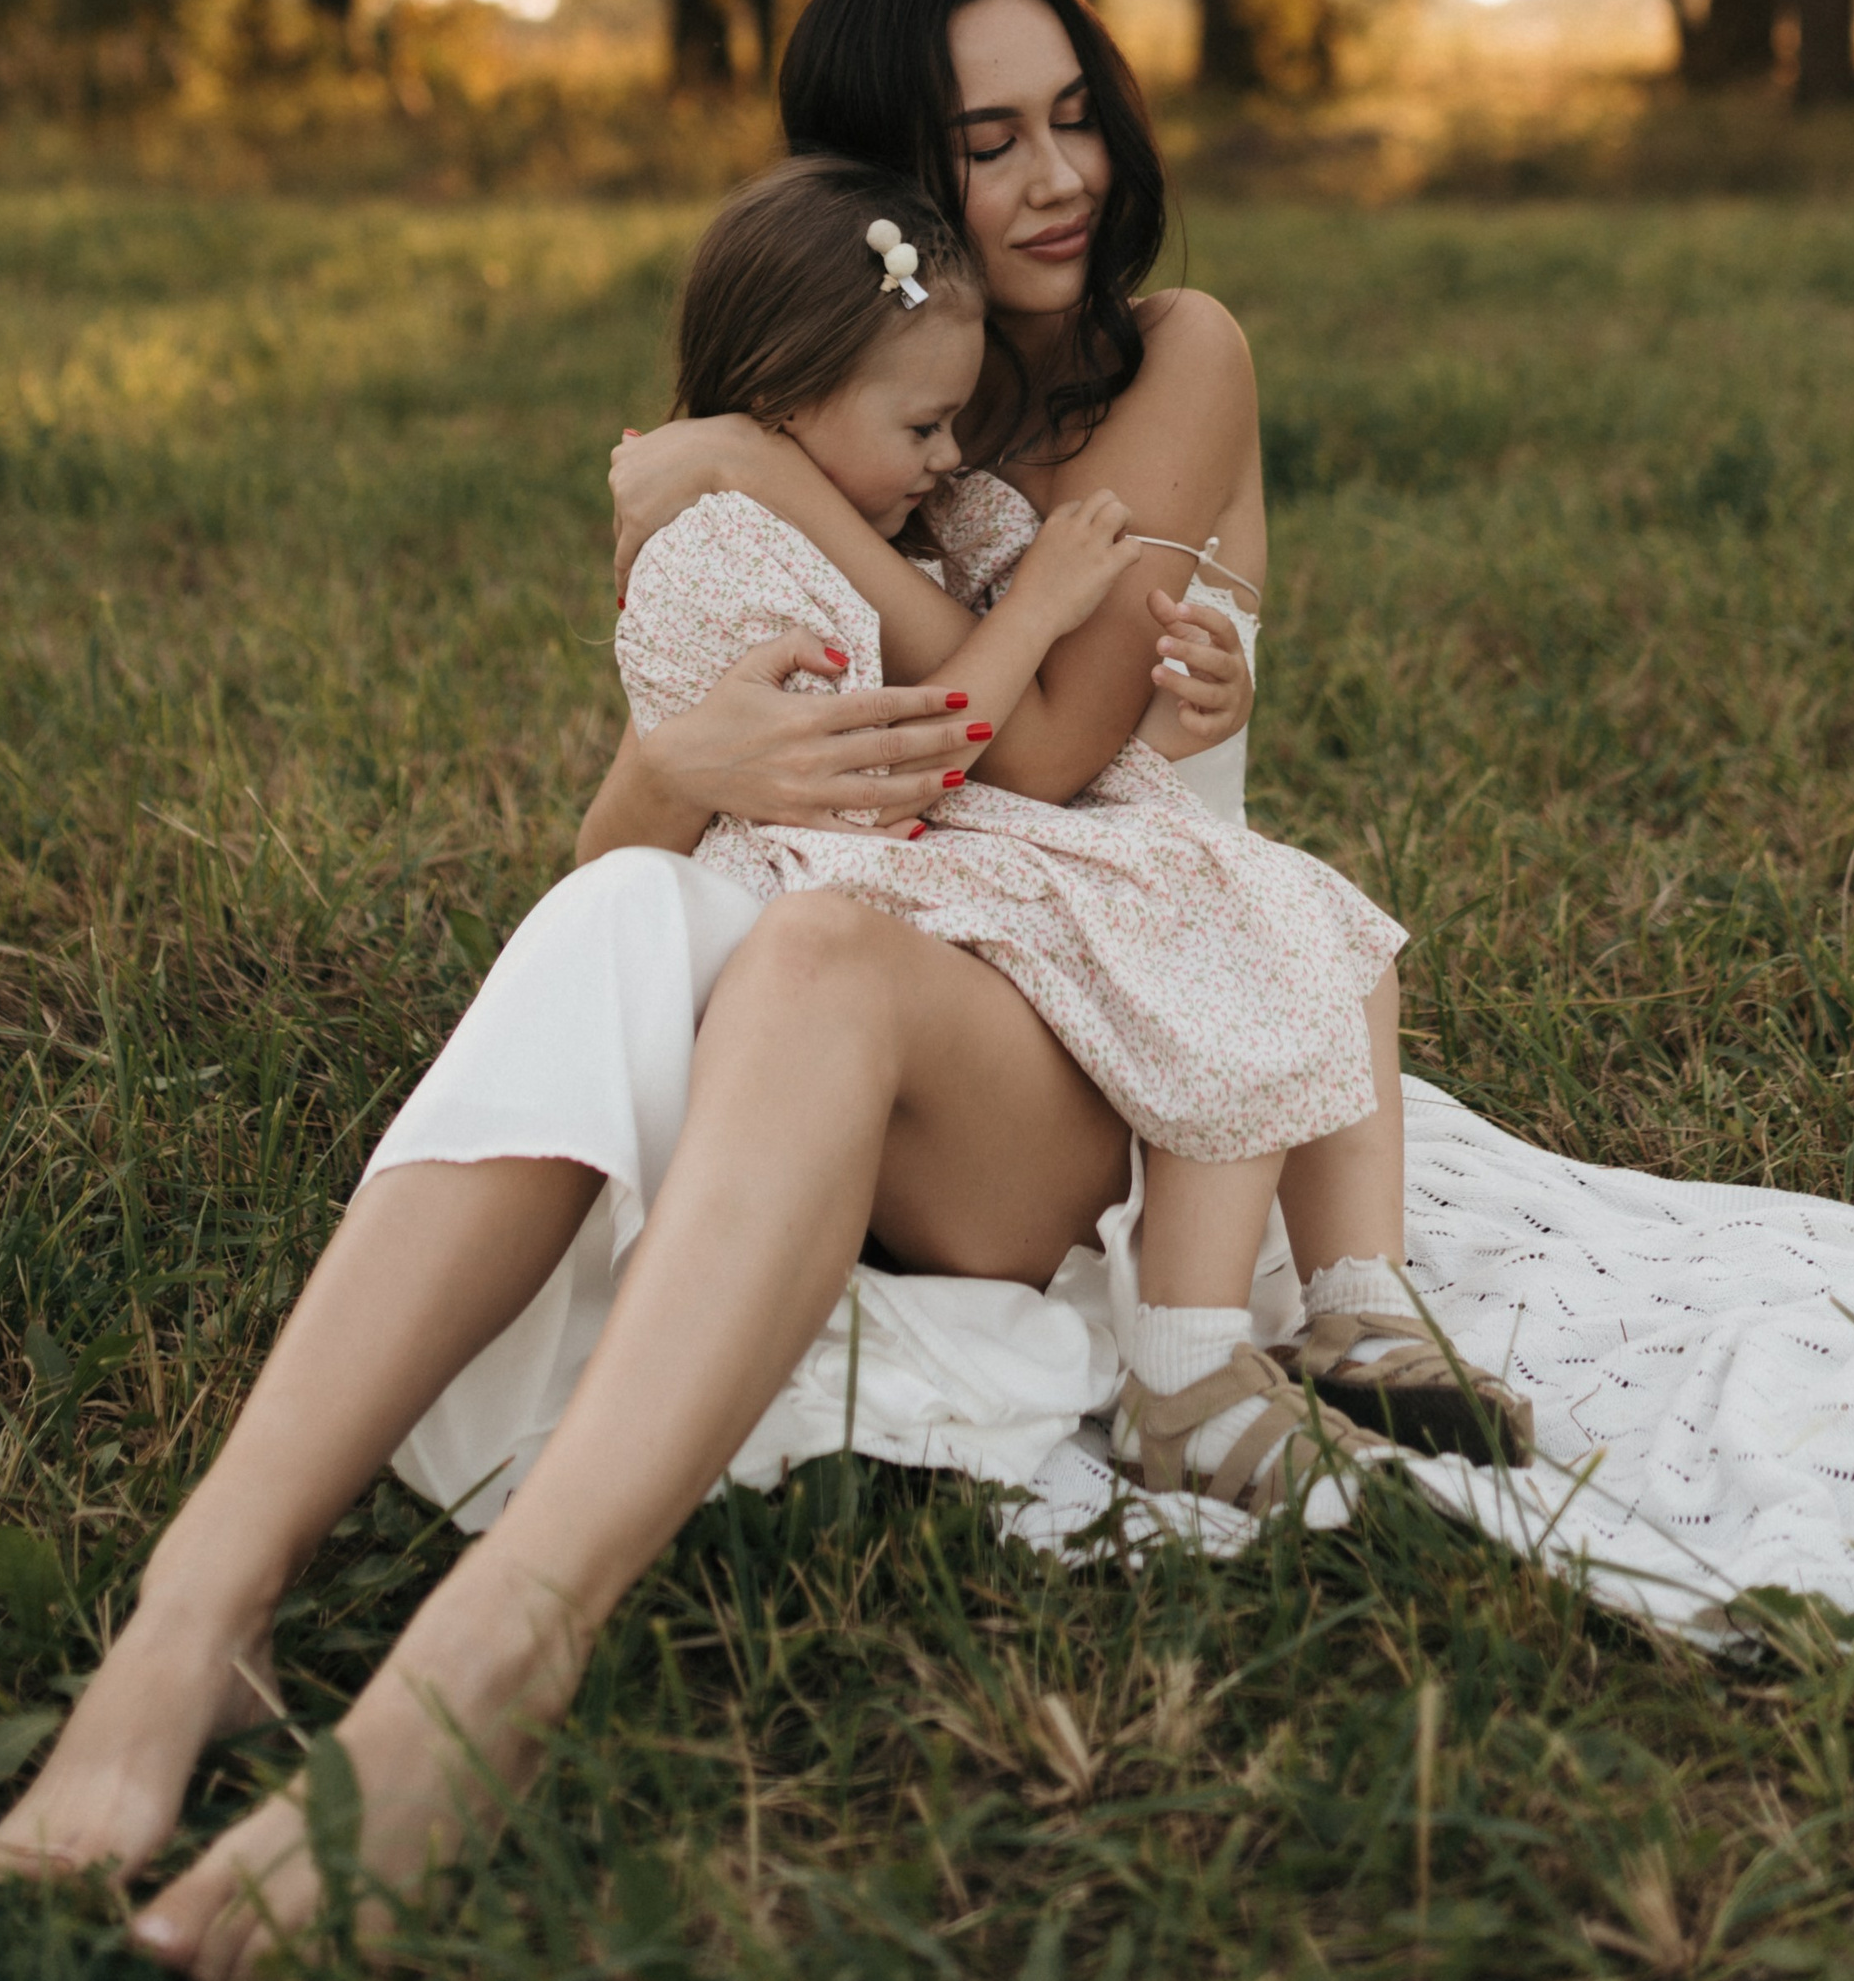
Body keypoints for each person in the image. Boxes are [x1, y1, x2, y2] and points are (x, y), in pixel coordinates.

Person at [0, 0, 1477, 1981]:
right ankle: (194, 1609)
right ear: (878, 197)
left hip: (1099, 1033)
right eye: (984, 141)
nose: (1053, 176)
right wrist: (675, 748)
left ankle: (493, 1655)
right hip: (869, 961)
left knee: (821, 951)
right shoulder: (823, 406)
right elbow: (615, 867)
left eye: (1072, 116)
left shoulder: (1170, 355)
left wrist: (755, 466)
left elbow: (1032, 749)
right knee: (630, 921)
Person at [617, 148, 1452, 1508]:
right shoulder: (725, 548)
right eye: (926, 428)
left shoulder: (918, 494)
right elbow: (909, 763)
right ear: (786, 404)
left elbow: (1086, 710)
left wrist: (1201, 674)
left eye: (955, 424)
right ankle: (1186, 1363)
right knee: (1210, 931)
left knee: (1320, 925)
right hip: (872, 885)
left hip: (967, 856)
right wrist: (1034, 611)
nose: (951, 454)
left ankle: (1360, 1302)